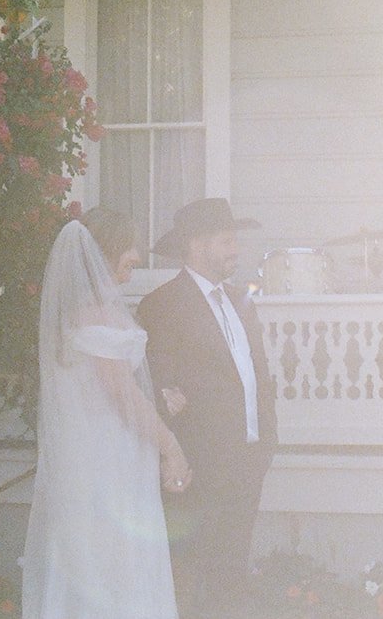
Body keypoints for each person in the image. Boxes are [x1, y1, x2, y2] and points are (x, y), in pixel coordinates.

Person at [22, 211, 192, 619]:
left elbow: (103, 388)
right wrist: (171, 448)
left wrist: (157, 398)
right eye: (128, 257)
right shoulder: (95, 315)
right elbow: (122, 395)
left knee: (101, 565)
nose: (132, 268)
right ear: (106, 252)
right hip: (109, 464)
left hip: (99, 456)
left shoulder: (79, 312)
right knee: (114, 567)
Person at [137, 198, 277, 619]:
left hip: (248, 458)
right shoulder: (163, 304)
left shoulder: (239, 299)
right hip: (199, 466)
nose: (236, 250)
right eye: (227, 241)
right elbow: (157, 386)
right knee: (192, 572)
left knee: (231, 571)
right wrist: (175, 451)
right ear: (198, 245)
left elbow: (255, 371)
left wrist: (266, 440)